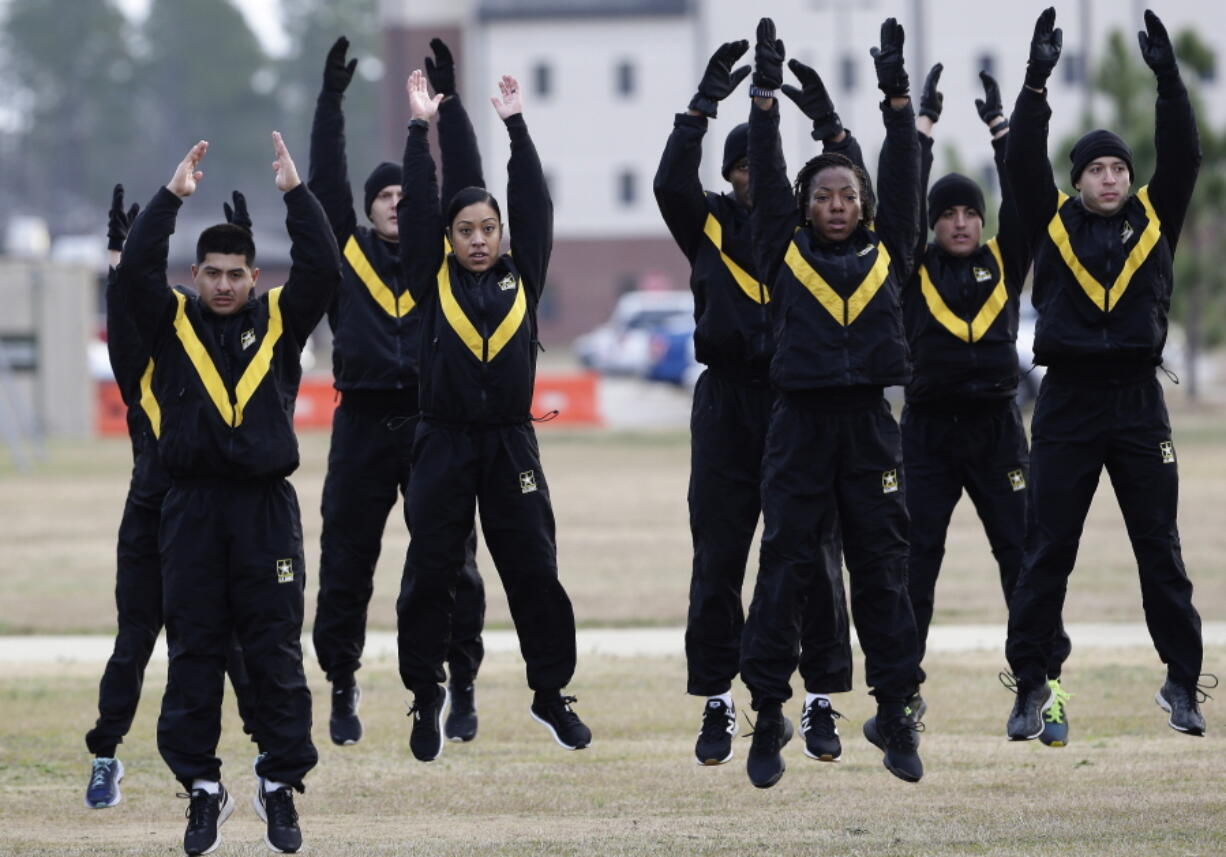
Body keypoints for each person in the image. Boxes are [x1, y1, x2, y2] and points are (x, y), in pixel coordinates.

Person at [117, 133, 339, 856]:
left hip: (265, 512)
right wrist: (171, 198)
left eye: (235, 274)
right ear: (195, 272)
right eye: (210, 273)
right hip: (190, 510)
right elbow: (134, 278)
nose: (221, 285)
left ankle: (279, 783)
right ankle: (202, 789)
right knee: (194, 650)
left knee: (274, 648)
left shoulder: (278, 320)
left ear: (253, 275)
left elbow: (324, 267)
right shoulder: (171, 320)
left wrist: (295, 194)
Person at [1002, 7, 1213, 742]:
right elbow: (1023, 160)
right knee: (1047, 546)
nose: (1112, 176)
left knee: (1160, 546)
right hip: (1066, 403)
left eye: (1120, 166)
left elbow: (1183, 156)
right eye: (1098, 168)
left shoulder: (1155, 219)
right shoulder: (1052, 222)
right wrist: (1036, 83)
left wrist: (1168, 81)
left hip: (1136, 404)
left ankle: (1184, 682)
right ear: (1078, 179)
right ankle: (1032, 683)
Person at [653, 38, 854, 768]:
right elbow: (668, 181)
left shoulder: (806, 234)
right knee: (718, 554)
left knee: (813, 555)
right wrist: (702, 107)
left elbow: (854, 183)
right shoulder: (704, 222)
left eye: (757, 168)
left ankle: (821, 698)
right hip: (727, 403)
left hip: (800, 403)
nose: (748, 180)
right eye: (737, 170)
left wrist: (829, 124)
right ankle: (716, 699)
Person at [738, 17, 924, 788]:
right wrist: (765, 98)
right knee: (783, 566)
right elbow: (772, 176)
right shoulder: (781, 247)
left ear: (865, 203)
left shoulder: (892, 248)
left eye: (849, 192)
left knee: (882, 567)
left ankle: (896, 710)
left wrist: (896, 100)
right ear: (806, 206)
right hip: (799, 426)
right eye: (826, 194)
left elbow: (905, 174)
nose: (838, 202)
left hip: (869, 429)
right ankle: (768, 711)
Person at [395, 68, 591, 762]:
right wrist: (421, 128)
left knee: (534, 568)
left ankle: (550, 692)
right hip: (442, 443)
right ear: (448, 238)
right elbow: (418, 206)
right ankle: (426, 694)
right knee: (430, 573)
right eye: (466, 230)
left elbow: (533, 202)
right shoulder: (430, 274)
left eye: (488, 229)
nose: (478, 239)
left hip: (511, 445)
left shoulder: (523, 275)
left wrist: (516, 127)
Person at [308, 36, 488, 747]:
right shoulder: (341, 255)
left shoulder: (443, 264)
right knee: (347, 560)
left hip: (432, 424)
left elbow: (469, 180)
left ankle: (460, 681)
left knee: (452, 564)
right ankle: (343, 681)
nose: (395, 201)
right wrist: (330, 101)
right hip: (360, 425)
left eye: (406, 195)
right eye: (384, 195)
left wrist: (448, 106)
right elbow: (323, 183)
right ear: (368, 207)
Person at [901, 68, 1073, 743]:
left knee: (1023, 557)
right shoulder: (913, 268)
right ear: (935, 224)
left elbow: (1029, 198)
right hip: (927, 435)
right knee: (915, 560)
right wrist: (921, 131)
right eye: (949, 214)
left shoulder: (1006, 259)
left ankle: (1040, 686)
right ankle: (901, 693)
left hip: (999, 429)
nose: (963, 221)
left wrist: (1006, 132)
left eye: (971, 212)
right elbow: (900, 199)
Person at [84, 186, 260, 809]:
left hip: (211, 519)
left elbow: (248, 325)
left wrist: (246, 244)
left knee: (236, 640)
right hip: (151, 514)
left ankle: (266, 755)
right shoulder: (140, 366)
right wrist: (117, 256)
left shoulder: (214, 356)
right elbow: (130, 300)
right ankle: (106, 754)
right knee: (136, 639)